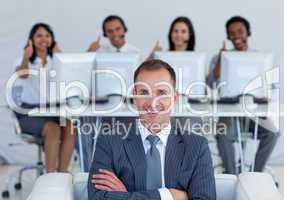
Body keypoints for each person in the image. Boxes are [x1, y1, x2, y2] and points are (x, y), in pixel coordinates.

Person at [88, 59, 216, 200]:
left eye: (161, 92)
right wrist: (169, 196)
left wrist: (126, 196)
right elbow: (98, 197)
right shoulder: (109, 142)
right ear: (134, 97)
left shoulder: (197, 146)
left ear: (174, 97)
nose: (152, 102)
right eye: (144, 92)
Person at [207, 16, 279, 174]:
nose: (236, 36)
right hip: (229, 111)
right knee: (223, 133)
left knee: (273, 132)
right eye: (232, 33)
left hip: (254, 111)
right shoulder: (221, 58)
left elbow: (272, 85)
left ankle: (255, 173)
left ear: (248, 32)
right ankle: (231, 175)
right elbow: (210, 82)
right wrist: (221, 59)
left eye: (240, 31)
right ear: (228, 36)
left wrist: (267, 93)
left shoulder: (261, 58)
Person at [13, 23, 75, 173]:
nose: (44, 39)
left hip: (52, 110)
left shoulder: (55, 60)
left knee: (71, 127)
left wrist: (61, 59)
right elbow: (23, 74)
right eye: (39, 35)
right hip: (29, 112)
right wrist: (26, 58)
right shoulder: (24, 59)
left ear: (52, 39)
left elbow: (67, 80)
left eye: (47, 35)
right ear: (31, 39)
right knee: (53, 129)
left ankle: (62, 174)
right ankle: (50, 177)